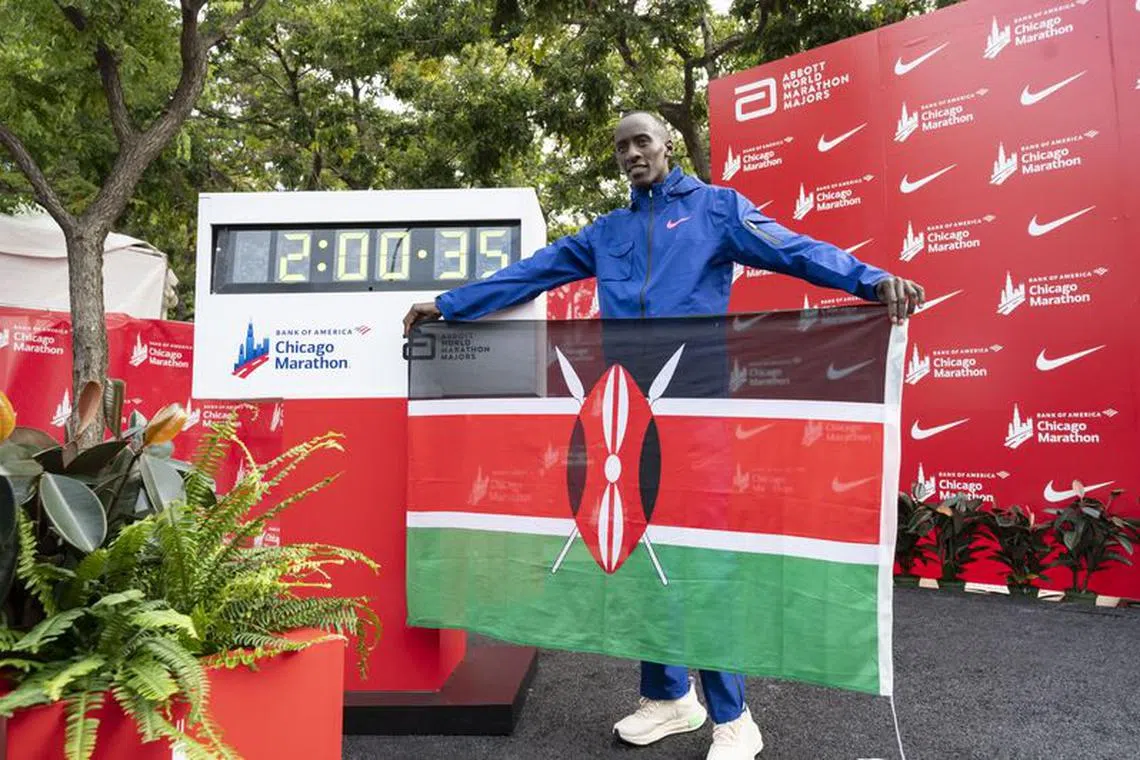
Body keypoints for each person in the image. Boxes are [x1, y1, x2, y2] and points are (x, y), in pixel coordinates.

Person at [403, 111, 924, 760]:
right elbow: (531, 273)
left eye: (640, 140)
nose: (630, 153)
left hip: (699, 417)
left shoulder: (716, 210)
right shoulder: (607, 231)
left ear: (667, 144)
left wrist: (870, 279)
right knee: (638, 558)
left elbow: (794, 249)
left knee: (698, 560)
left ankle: (735, 721)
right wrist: (450, 304)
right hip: (627, 423)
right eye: (619, 145)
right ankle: (668, 698)